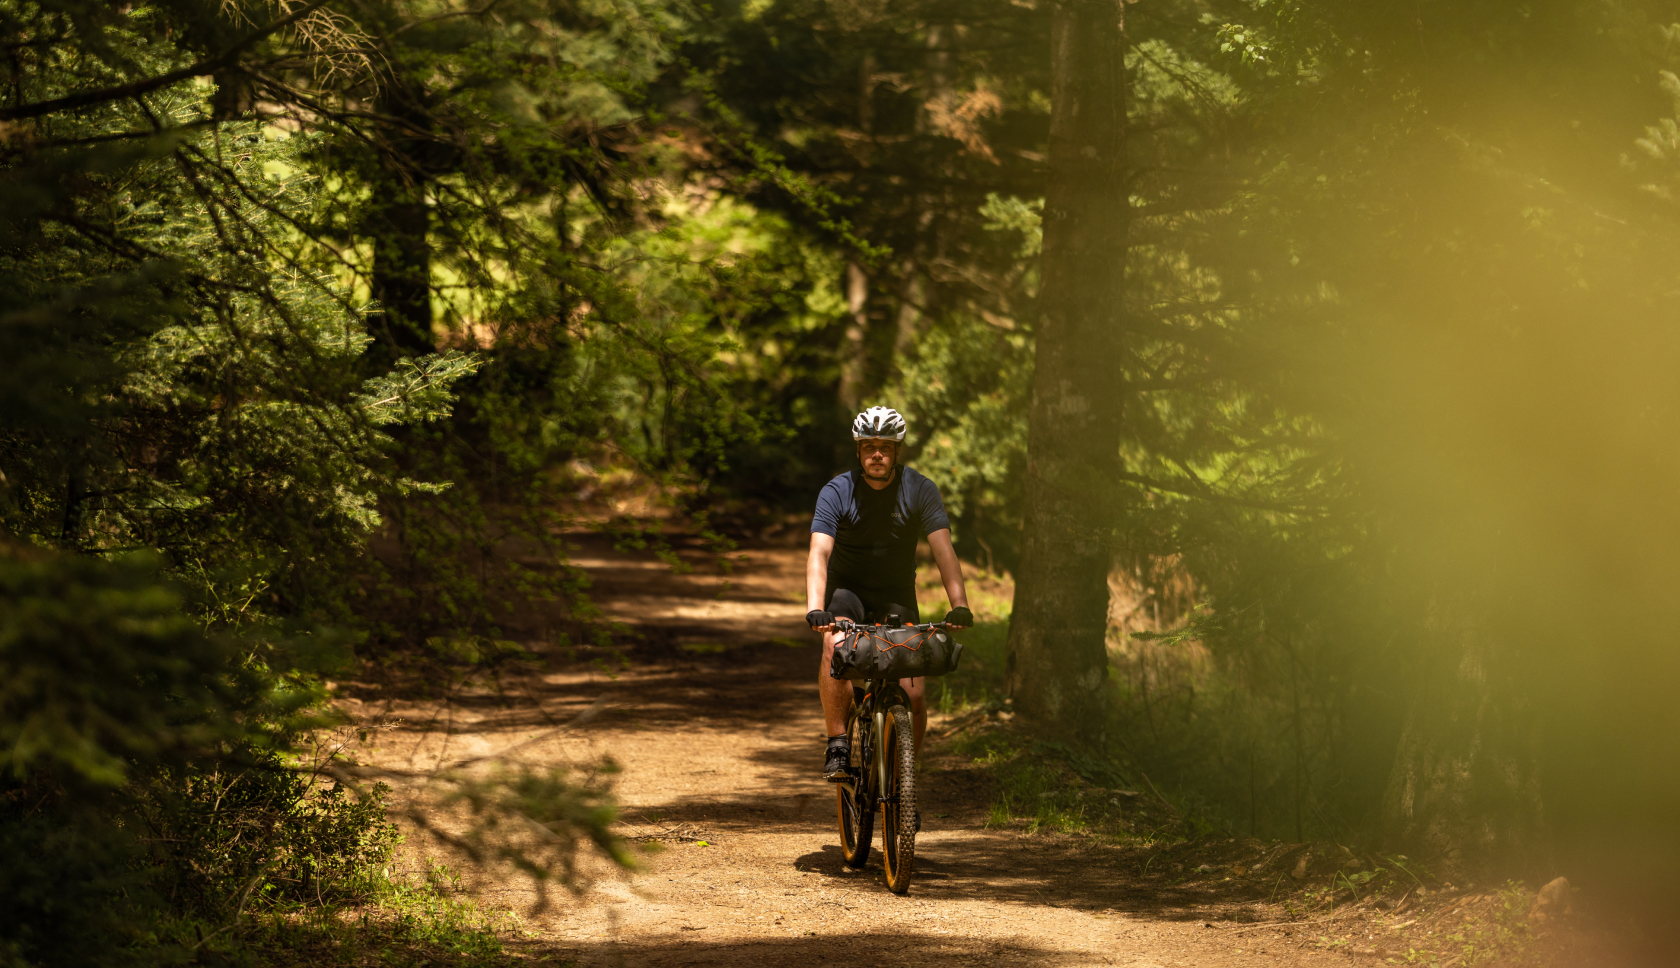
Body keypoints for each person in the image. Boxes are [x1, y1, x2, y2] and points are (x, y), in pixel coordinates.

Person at [806, 406, 973, 783]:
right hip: (847, 592)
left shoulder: (920, 489)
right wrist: (816, 608)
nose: (877, 454)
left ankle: (903, 782)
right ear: (858, 451)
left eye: (885, 447)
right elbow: (819, 552)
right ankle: (837, 743)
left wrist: (959, 605)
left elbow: (943, 549)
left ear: (898, 451)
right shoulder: (837, 491)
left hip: (897, 595)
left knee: (914, 697)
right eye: (869, 446)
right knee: (834, 645)